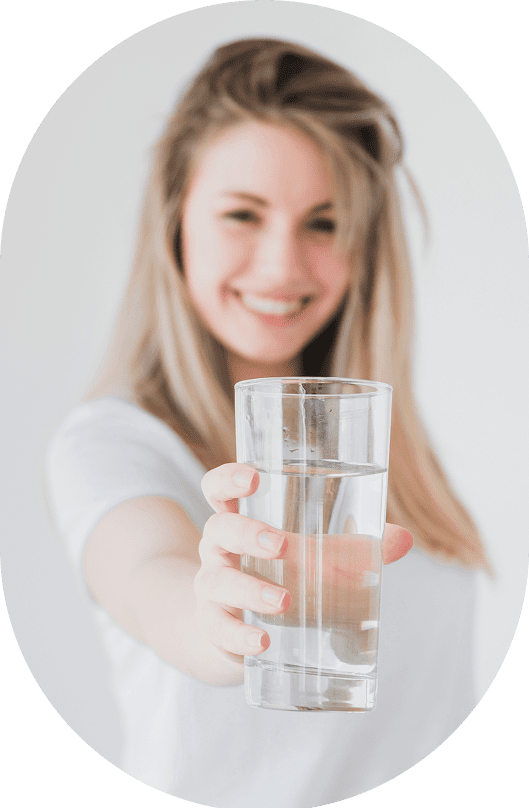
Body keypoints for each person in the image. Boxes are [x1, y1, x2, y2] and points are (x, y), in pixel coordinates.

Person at [46, 38, 490, 807]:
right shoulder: (113, 443)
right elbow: (151, 578)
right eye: (242, 215)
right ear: (175, 222)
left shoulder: (384, 458)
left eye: (323, 223)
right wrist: (216, 615)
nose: (282, 266)